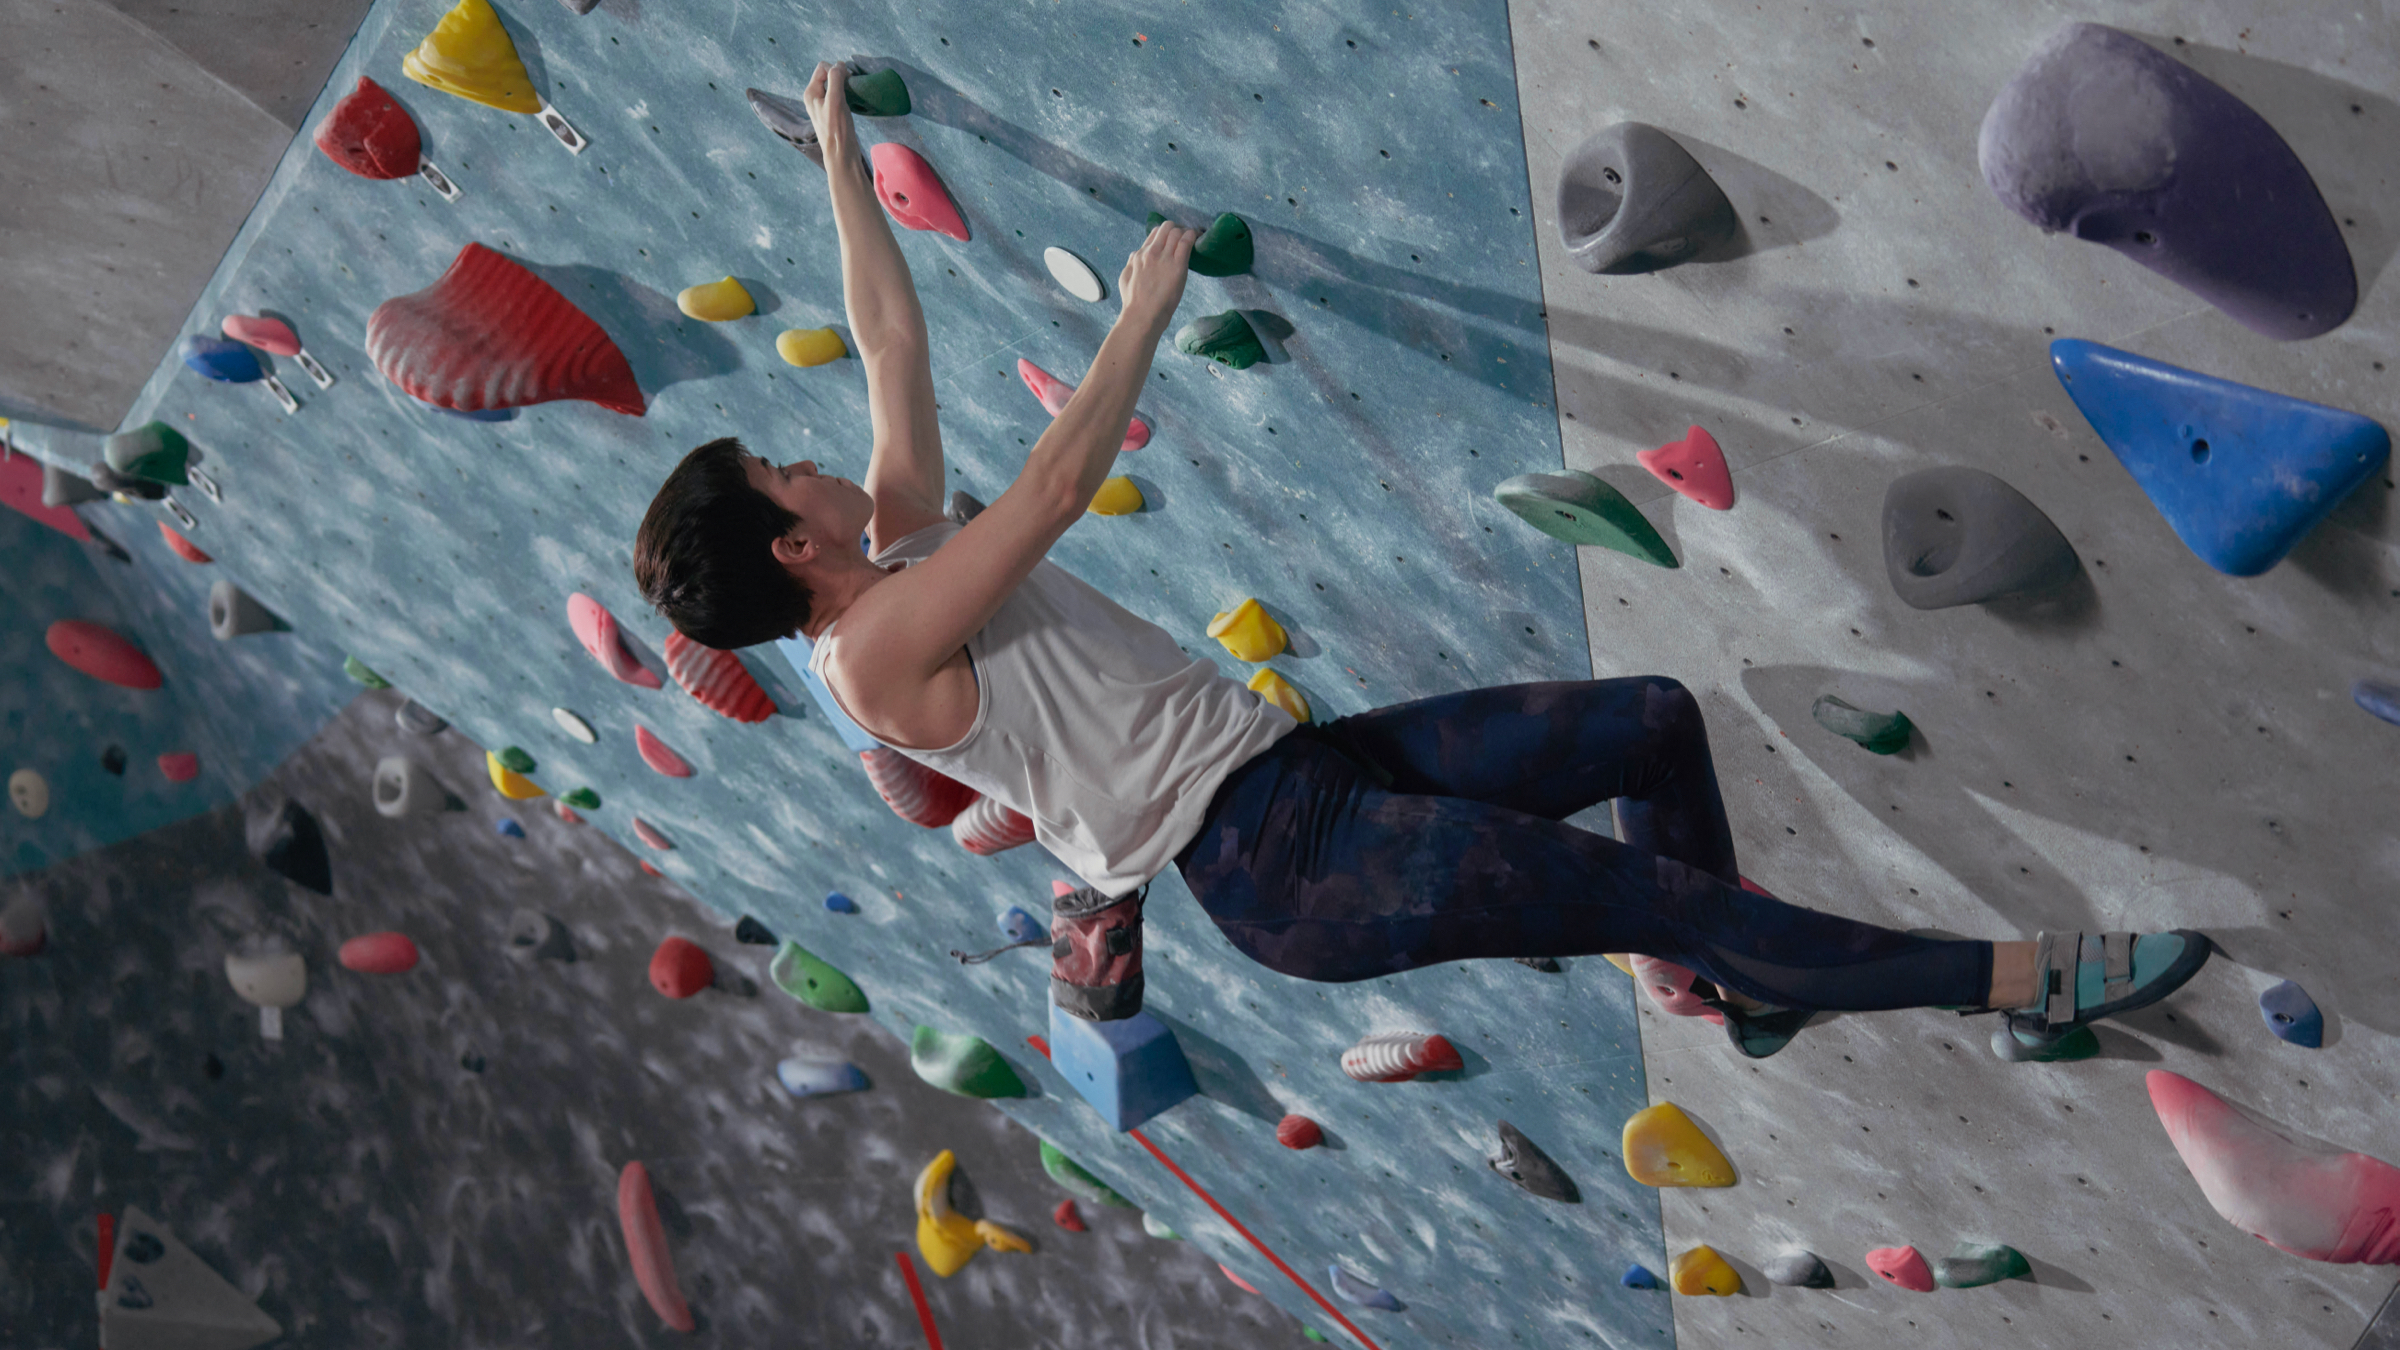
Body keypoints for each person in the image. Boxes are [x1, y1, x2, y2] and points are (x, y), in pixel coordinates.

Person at [633, 62, 2210, 1058]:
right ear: (793, 540)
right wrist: (1142, 311)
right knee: (1664, 895)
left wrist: (837, 150)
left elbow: (890, 339)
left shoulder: (889, 551)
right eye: (785, 466)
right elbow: (1050, 490)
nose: (815, 453)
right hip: (1281, 870)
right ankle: (2014, 983)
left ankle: (1750, 970)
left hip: (1307, 769)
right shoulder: (876, 654)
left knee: (1653, 720)